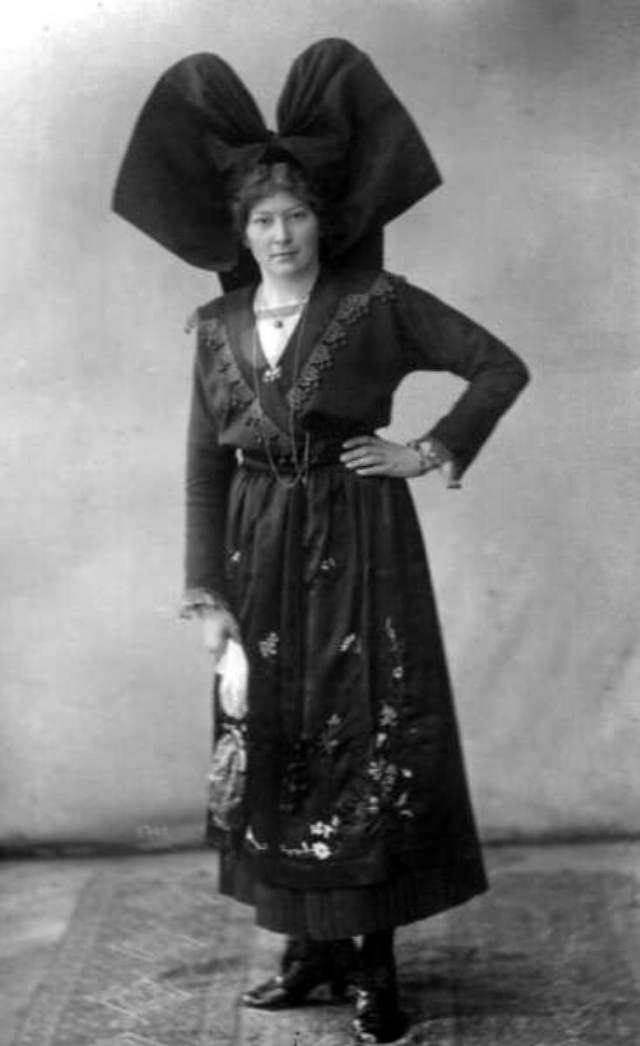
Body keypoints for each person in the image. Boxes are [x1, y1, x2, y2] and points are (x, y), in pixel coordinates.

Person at [113, 39, 529, 1046]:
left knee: (363, 738)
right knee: (275, 741)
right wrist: (204, 587)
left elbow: (494, 365)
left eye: (297, 214)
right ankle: (306, 949)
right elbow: (205, 465)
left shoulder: (376, 306)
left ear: (323, 221)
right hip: (257, 552)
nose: (283, 232)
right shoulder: (215, 328)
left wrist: (427, 448)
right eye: (263, 219)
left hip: (358, 540)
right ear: (241, 232)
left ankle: (375, 967)